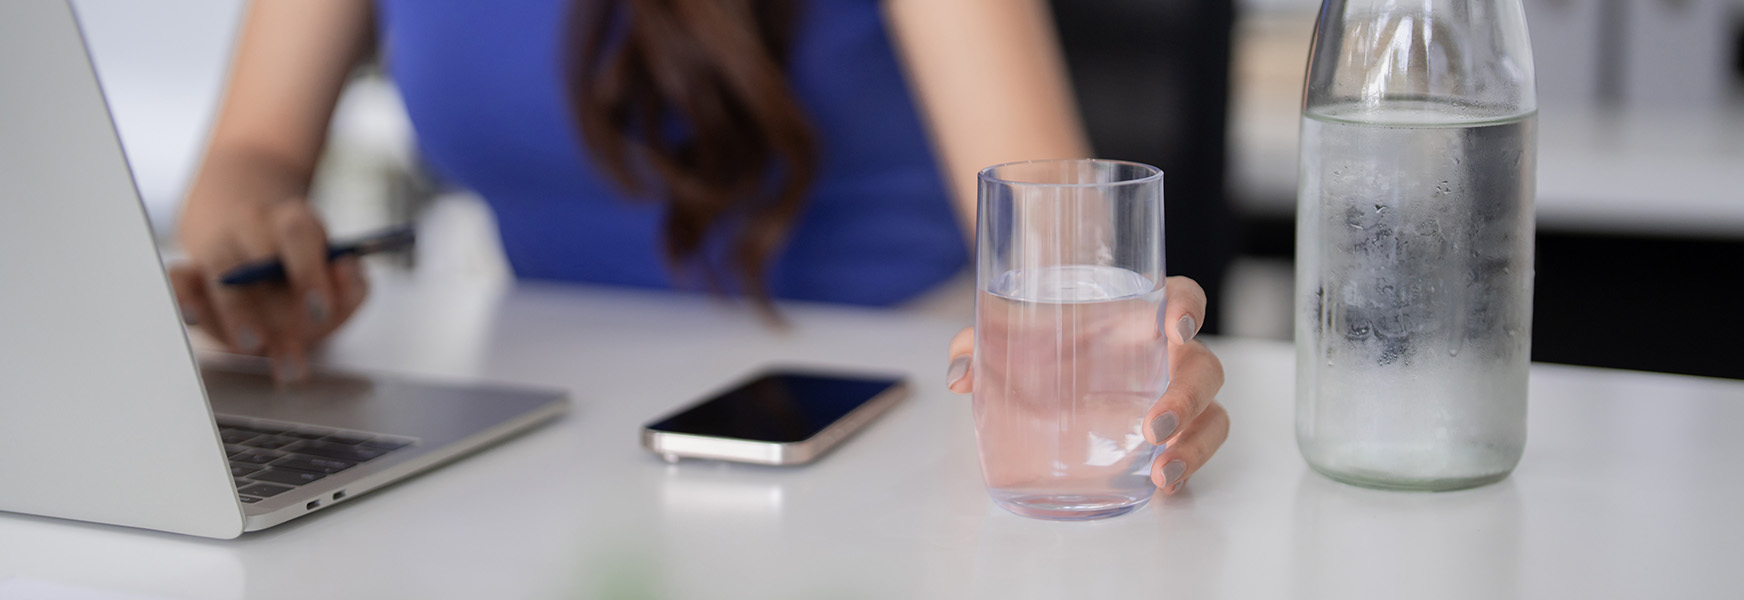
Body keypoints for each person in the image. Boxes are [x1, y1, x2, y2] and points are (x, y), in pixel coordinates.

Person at [168, 0, 1227, 496]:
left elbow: (1054, 231)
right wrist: (243, 238)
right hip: (548, 424)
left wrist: (1123, 346)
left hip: (884, 417)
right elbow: (253, 150)